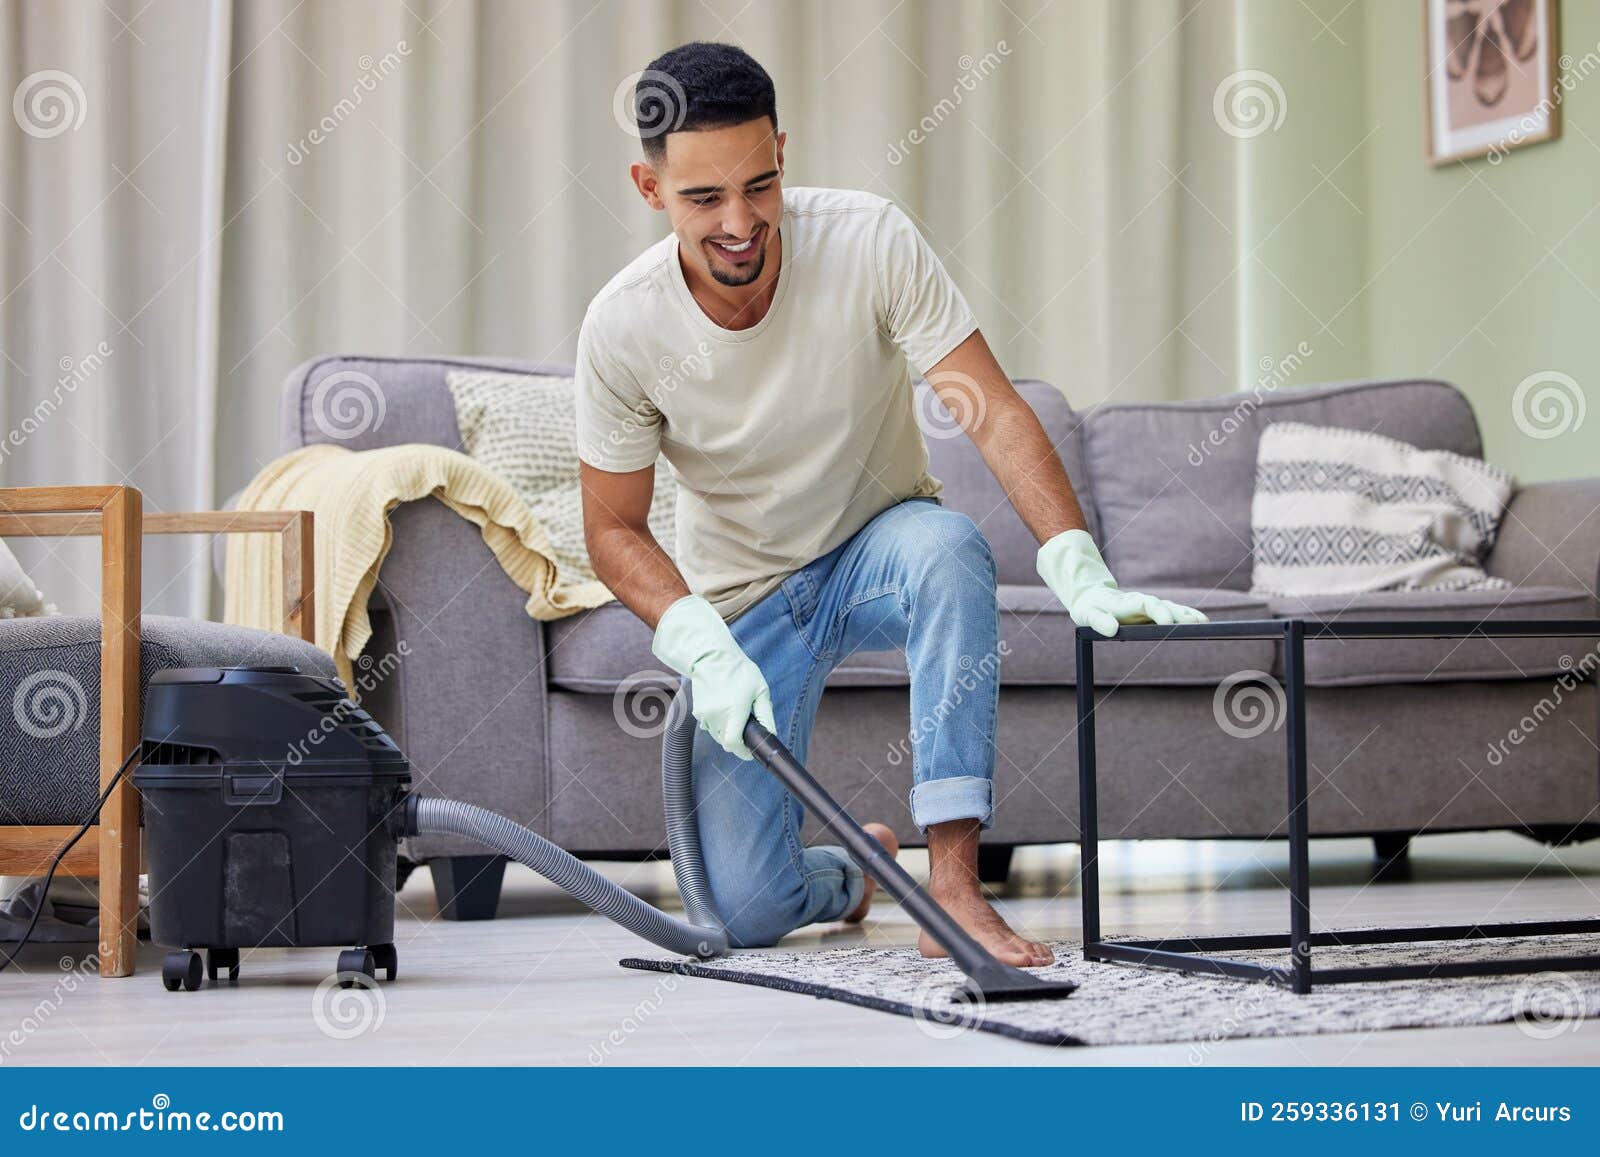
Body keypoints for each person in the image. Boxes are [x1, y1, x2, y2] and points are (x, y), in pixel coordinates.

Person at [575, 41, 1204, 967]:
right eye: (704, 199)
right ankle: (860, 869)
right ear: (648, 185)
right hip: (745, 602)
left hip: (879, 544)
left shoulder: (869, 241)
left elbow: (989, 408)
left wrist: (1077, 559)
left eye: (760, 184)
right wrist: (696, 640)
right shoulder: (624, 326)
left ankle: (952, 890)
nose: (742, 223)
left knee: (951, 548)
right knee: (746, 911)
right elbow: (612, 527)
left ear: (783, 151)